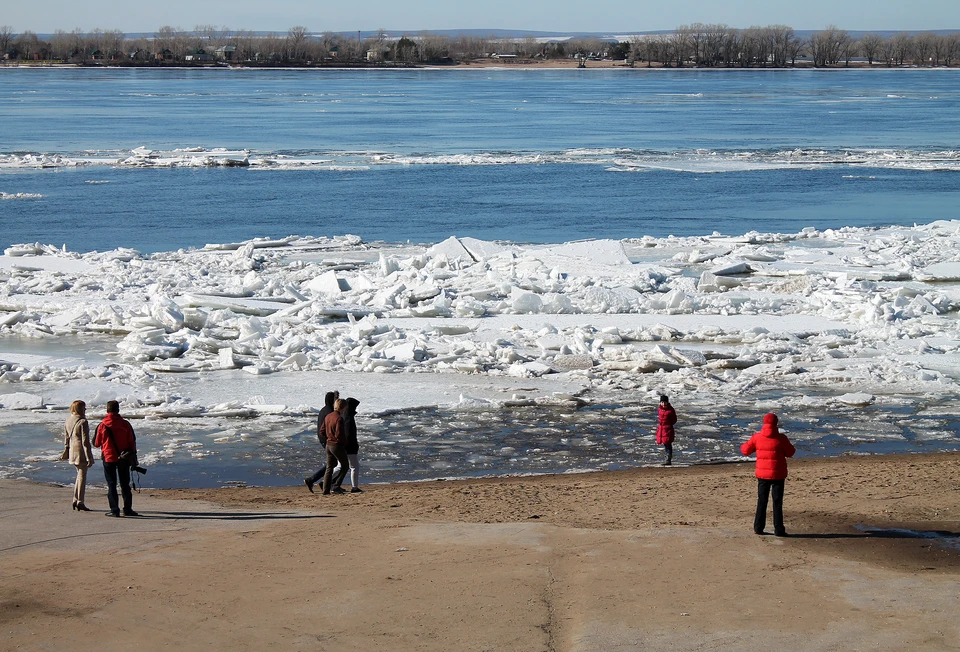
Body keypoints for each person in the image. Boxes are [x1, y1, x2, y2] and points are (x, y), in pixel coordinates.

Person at [740, 413, 796, 537]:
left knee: (762, 501)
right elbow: (791, 452)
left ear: (763, 422)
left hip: (762, 474)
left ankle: (758, 527)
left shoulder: (757, 437)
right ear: (776, 423)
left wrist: (751, 446)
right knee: (777, 502)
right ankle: (779, 529)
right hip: (778, 474)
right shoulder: (781, 438)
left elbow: (745, 451)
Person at [93, 400, 139, 517]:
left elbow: (96, 443)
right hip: (124, 457)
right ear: (118, 410)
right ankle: (127, 509)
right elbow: (132, 442)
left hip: (108, 457)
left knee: (111, 484)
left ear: (107, 410)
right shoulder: (125, 424)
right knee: (125, 484)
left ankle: (114, 510)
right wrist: (133, 456)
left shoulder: (102, 425)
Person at [61, 400, 94, 511]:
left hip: (72, 452)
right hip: (81, 453)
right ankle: (80, 501)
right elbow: (85, 442)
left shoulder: (68, 420)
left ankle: (75, 499)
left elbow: (66, 438)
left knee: (79, 476)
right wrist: (89, 457)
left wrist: (66, 449)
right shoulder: (83, 422)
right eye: (84, 407)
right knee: (82, 477)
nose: (85, 409)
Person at [304, 390, 338, 493]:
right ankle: (315, 480)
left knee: (334, 463)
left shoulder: (323, 410)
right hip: (327, 440)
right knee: (335, 463)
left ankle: (322, 482)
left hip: (323, 439)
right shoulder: (329, 411)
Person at [322, 398, 350, 495]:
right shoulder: (339, 418)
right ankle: (336, 486)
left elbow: (322, 431)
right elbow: (339, 434)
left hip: (328, 445)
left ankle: (325, 490)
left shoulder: (328, 416)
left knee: (329, 468)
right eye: (345, 408)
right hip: (336, 445)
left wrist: (328, 437)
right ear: (343, 407)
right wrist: (343, 443)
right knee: (345, 466)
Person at [334, 397, 362, 493]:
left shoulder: (344, 416)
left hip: (343, 446)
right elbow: (349, 434)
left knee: (340, 466)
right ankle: (354, 487)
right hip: (349, 447)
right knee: (354, 466)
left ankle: (325, 481)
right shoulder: (348, 418)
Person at [656, 395, 677, 466]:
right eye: (662, 402)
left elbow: (674, 420)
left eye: (665, 402)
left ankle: (668, 458)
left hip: (668, 429)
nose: (663, 404)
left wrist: (669, 425)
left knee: (668, 443)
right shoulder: (659, 409)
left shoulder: (670, 410)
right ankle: (667, 457)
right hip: (661, 428)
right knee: (665, 443)